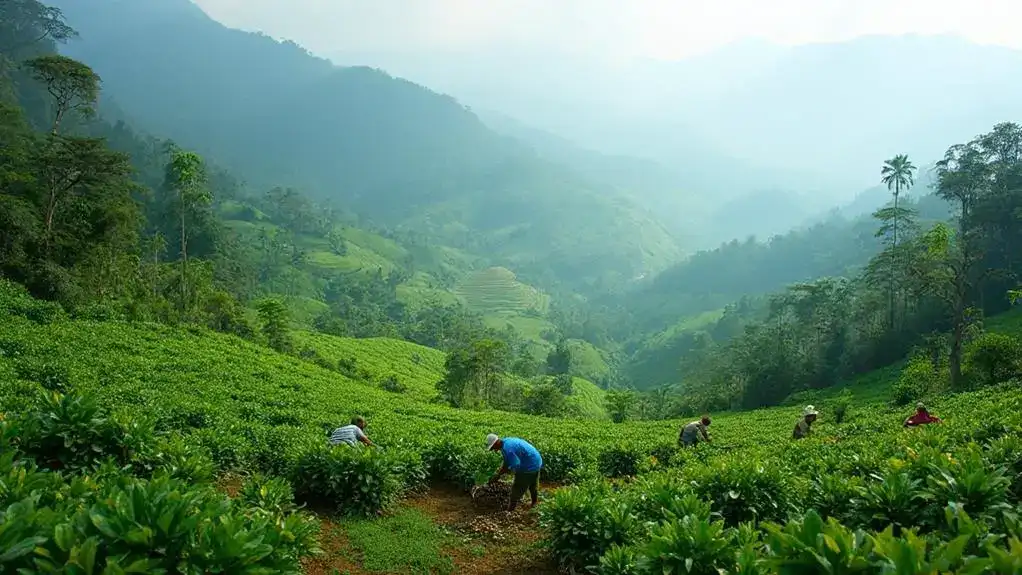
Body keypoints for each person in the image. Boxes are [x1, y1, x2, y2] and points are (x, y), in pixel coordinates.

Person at [485, 433, 543, 512]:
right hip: (536, 460)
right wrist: (499, 473)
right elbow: (507, 462)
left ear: (496, 442)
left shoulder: (508, 449)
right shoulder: (506, 441)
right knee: (533, 484)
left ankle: (510, 511)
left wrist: (505, 472)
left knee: (517, 488)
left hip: (528, 465)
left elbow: (515, 465)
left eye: (493, 447)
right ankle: (534, 503)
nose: (494, 450)